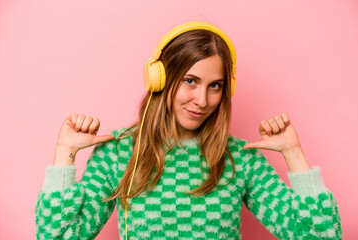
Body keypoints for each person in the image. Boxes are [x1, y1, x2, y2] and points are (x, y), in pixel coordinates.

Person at [35, 21, 342, 240]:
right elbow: (58, 237)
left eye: (215, 86)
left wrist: (294, 154)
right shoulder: (118, 153)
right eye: (190, 81)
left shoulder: (239, 159)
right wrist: (65, 155)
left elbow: (322, 235)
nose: (202, 100)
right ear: (161, 79)